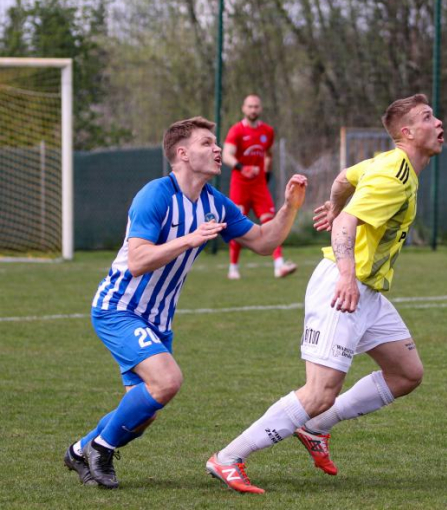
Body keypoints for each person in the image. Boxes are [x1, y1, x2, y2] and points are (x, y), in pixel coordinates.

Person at [206, 94, 444, 494]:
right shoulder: (394, 175)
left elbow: (342, 180)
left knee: (406, 373)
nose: (438, 123)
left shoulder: (392, 163)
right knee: (319, 393)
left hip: (366, 291)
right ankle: (227, 458)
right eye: (427, 118)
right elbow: (346, 227)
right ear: (407, 133)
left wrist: (334, 206)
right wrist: (347, 272)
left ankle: (316, 428)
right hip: (343, 286)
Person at [63, 116, 307, 489]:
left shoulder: (214, 203)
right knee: (167, 381)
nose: (217, 150)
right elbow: (138, 260)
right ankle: (101, 448)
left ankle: (80, 451)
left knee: (144, 414)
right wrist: (189, 239)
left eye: (215, 143)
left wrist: (289, 207)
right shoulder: (155, 194)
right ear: (182, 153)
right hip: (119, 307)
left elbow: (262, 241)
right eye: (207, 143)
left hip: (158, 319)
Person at [223, 94, 297, 279]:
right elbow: (226, 155)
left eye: (256, 106)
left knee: (270, 221)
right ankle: (233, 267)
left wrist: (267, 173)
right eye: (250, 106)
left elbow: (268, 154)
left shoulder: (267, 131)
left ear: (260, 108)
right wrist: (242, 167)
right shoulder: (236, 131)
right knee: (237, 225)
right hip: (240, 185)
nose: (253, 110)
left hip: (259, 186)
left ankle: (279, 265)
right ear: (243, 108)